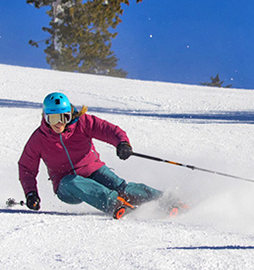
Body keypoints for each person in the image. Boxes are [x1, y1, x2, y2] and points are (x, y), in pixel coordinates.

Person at [18, 92, 164, 218]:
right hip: (66, 186)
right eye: (53, 119)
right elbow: (26, 168)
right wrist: (31, 193)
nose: (59, 123)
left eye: (64, 117)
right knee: (72, 181)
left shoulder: (82, 123)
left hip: (92, 169)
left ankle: (163, 199)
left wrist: (122, 143)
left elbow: (108, 130)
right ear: (45, 117)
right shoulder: (38, 139)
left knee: (120, 186)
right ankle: (115, 203)